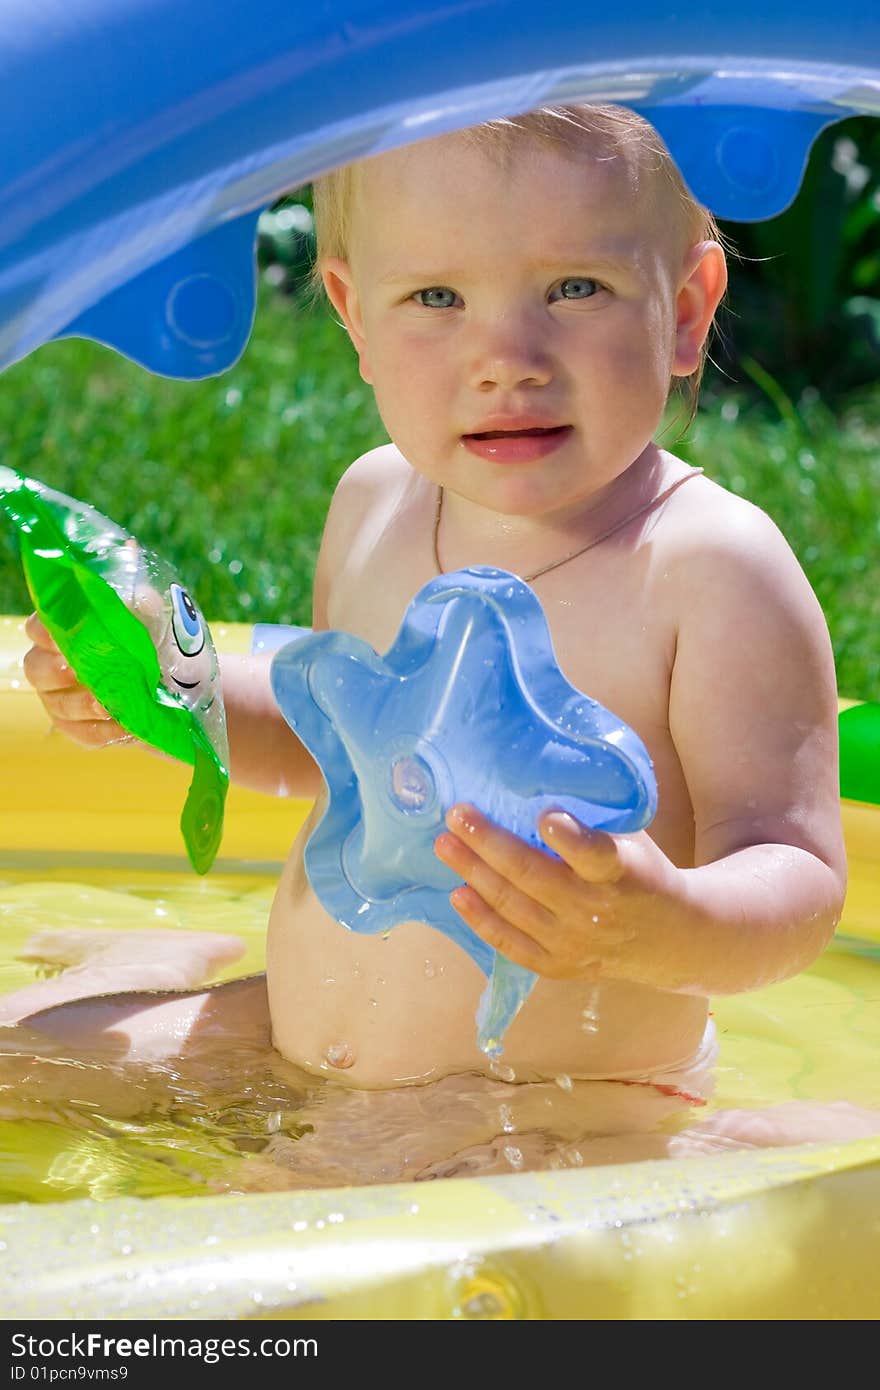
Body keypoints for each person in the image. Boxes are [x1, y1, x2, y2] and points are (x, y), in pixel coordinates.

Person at [11, 105, 877, 1184]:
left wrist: (657, 922)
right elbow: (345, 756)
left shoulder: (705, 570)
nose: (505, 358)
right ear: (352, 314)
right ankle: (148, 961)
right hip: (300, 1027)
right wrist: (177, 691)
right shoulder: (374, 501)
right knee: (11, 1067)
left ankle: (722, 1152)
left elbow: (798, 879)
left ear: (688, 309)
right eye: (435, 297)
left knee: (271, 1232)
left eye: (574, 289)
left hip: (548, 1100)